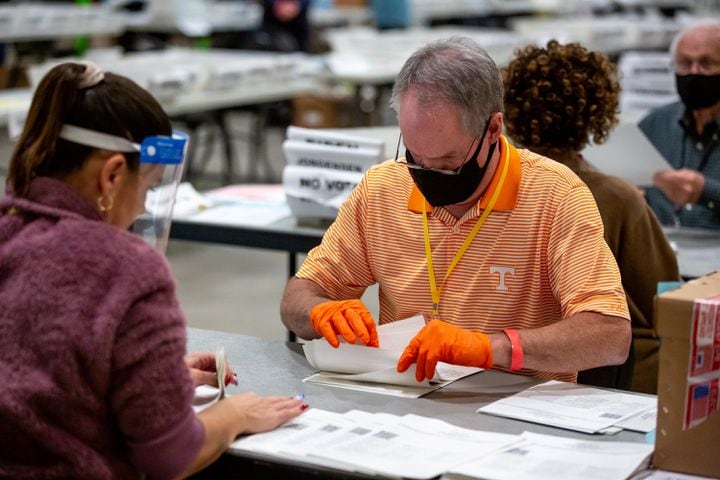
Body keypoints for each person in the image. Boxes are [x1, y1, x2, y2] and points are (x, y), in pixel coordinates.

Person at [0, 62, 305, 479]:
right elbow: (170, 455)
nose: (143, 206)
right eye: (146, 187)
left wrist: (149, 377)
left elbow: (35, 378)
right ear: (111, 176)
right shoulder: (127, 269)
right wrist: (235, 414)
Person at [281, 36, 631, 384]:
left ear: (493, 128)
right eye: (416, 156)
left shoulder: (555, 197)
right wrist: (318, 311)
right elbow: (297, 297)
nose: (428, 173)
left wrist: (489, 348)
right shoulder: (383, 189)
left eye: (449, 161)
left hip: (517, 411)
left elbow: (610, 336)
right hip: (404, 398)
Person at [502, 40, 680, 393]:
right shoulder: (616, 198)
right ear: (594, 116)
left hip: (503, 369)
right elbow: (662, 296)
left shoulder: (488, 190)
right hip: (592, 382)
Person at [640, 19, 720, 230]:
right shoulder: (655, 124)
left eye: (706, 63)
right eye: (685, 63)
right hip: (665, 253)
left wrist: (706, 191)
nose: (694, 72)